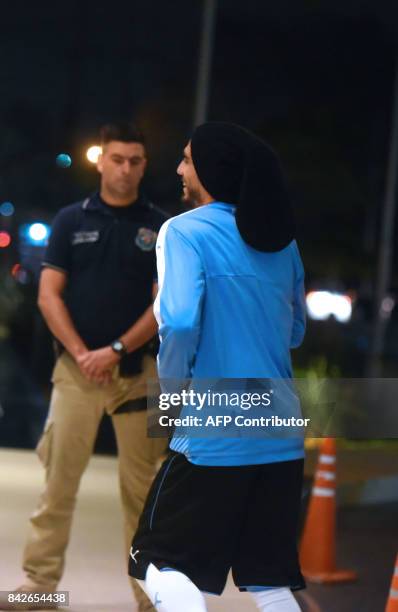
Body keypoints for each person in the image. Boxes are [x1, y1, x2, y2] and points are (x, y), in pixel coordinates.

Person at [128, 122, 307, 612]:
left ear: (207, 169)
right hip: (280, 432)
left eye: (187, 159)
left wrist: (171, 388)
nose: (180, 168)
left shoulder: (182, 231)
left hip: (214, 431)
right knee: (269, 582)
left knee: (156, 562)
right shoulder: (280, 241)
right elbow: (295, 332)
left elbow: (181, 320)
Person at [1, 122, 167, 612]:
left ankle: (148, 599)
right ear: (101, 161)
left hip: (136, 372)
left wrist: (114, 350)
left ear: (143, 164)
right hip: (75, 373)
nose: (126, 168)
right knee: (58, 484)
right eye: (117, 158)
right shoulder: (71, 220)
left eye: (135, 160)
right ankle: (39, 587)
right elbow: (49, 295)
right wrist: (81, 353)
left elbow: (163, 306)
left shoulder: (159, 227)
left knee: (142, 495)